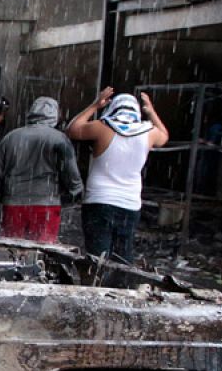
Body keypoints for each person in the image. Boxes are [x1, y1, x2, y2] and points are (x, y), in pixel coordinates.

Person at [66, 87, 170, 262]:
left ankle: (95, 287)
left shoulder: (102, 127)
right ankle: (120, 287)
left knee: (96, 259)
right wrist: (151, 112)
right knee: (123, 258)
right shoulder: (149, 132)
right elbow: (165, 136)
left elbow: (72, 129)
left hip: (99, 202)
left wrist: (94, 105)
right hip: (129, 205)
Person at [0, 96, 82, 243]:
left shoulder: (10, 138)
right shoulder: (60, 139)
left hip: (13, 202)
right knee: (43, 250)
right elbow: (71, 172)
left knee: (11, 250)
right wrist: (76, 192)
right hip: (46, 204)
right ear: (54, 115)